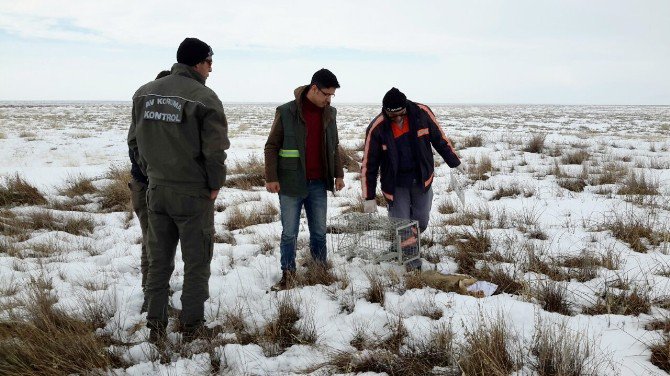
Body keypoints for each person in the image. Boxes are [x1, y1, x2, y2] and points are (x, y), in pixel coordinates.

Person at [127, 37, 229, 342]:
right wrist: (214, 185)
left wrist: (151, 173)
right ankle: (192, 325)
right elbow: (215, 150)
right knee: (197, 261)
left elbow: (134, 143)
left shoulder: (144, 93)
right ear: (198, 63)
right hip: (193, 194)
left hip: (156, 190)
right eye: (210, 62)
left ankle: (155, 325)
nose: (211, 69)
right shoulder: (205, 97)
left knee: (159, 262)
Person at [361, 88, 464, 268]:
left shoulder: (422, 113)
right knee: (403, 225)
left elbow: (440, 139)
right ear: (385, 111)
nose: (398, 119)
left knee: (421, 221)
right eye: (393, 116)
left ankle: (405, 243)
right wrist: (369, 197)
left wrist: (454, 161)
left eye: (401, 114)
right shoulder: (377, 127)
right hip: (395, 184)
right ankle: (412, 263)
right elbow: (369, 164)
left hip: (421, 179)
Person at [264, 68, 345, 291]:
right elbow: (271, 146)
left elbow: (334, 146)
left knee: (319, 231)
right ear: (314, 89)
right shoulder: (286, 111)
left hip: (319, 183)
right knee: (289, 233)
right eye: (326, 94)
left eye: (332, 96)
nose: (329, 99)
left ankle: (319, 271)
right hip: (290, 183)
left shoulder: (330, 113)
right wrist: (271, 177)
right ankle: (288, 275)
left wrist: (338, 174)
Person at [128, 69, 171, 314]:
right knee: (152, 244)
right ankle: (152, 298)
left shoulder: (152, 113)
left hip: (150, 184)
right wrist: (155, 173)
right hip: (146, 185)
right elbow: (135, 147)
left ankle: (155, 292)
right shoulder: (147, 114)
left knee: (156, 243)